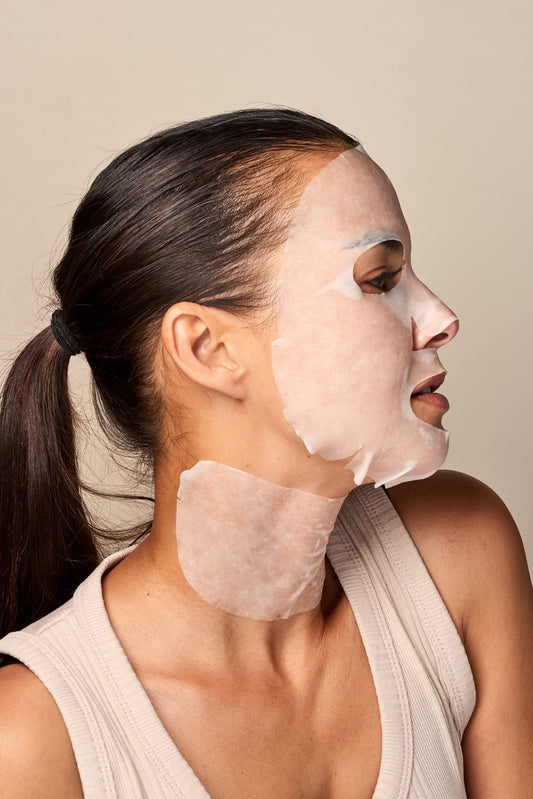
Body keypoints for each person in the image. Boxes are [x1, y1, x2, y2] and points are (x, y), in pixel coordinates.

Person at [0, 108, 531, 799]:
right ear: (207, 349)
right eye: (379, 280)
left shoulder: (457, 554)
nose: (440, 319)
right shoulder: (31, 740)